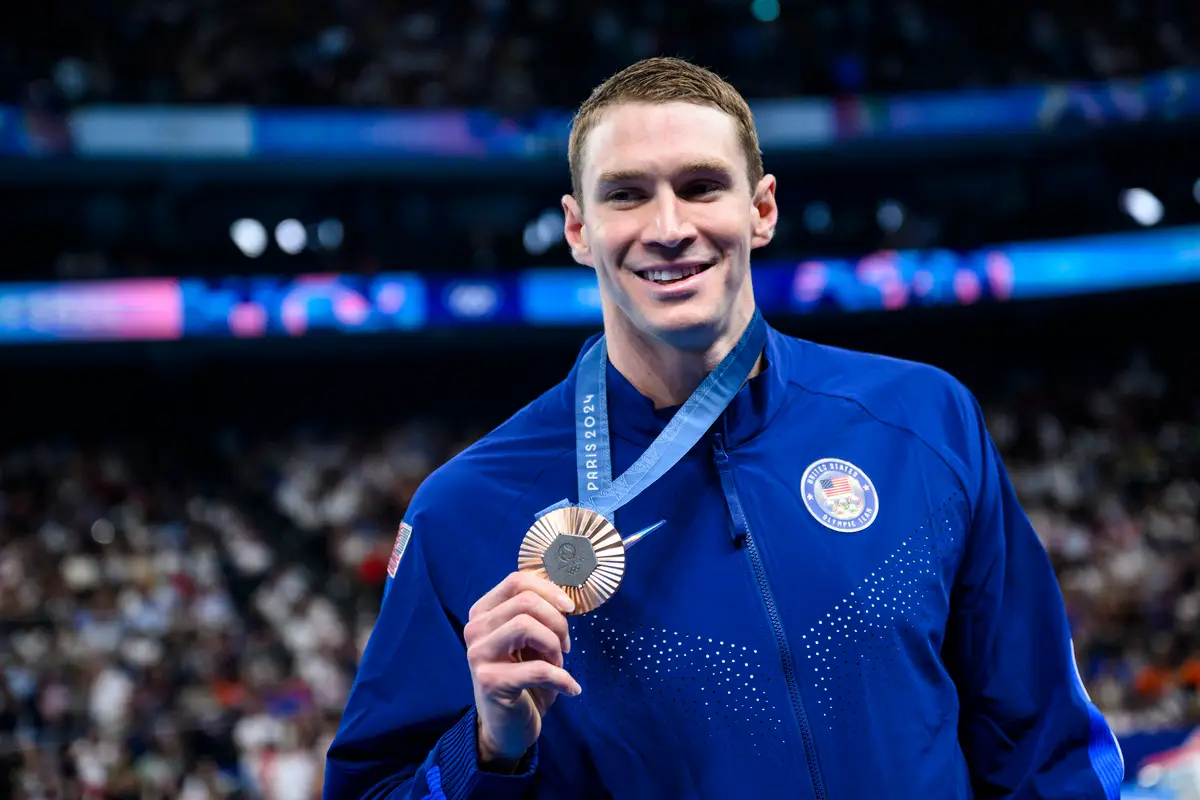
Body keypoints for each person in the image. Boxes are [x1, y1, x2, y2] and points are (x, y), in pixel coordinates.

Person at [323, 57, 1125, 799]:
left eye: (702, 185)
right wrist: (489, 749)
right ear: (577, 229)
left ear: (762, 208)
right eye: (626, 193)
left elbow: (1039, 739)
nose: (668, 226)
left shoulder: (922, 421)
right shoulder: (467, 511)